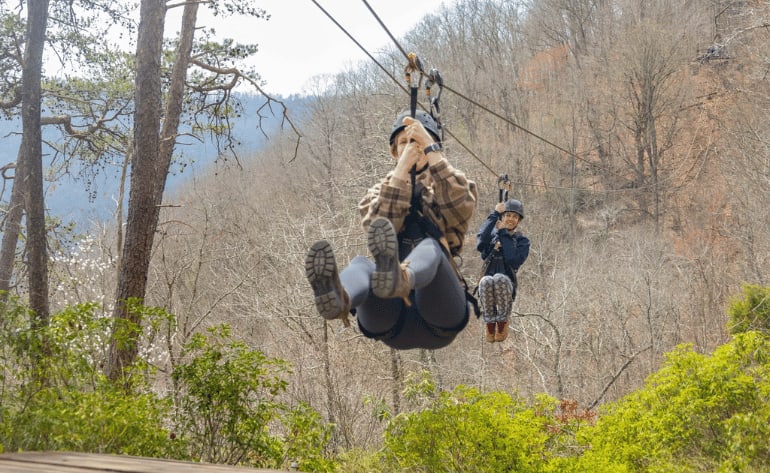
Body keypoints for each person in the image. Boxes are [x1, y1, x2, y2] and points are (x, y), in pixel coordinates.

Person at [305, 109, 478, 350]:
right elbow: (380, 223)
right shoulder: (375, 195)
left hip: (441, 314)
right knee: (362, 264)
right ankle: (341, 298)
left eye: (417, 142)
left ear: (432, 147)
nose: (410, 148)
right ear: (393, 152)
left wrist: (431, 150)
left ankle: (404, 277)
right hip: (390, 319)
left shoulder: (449, 185)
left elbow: (459, 204)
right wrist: (401, 175)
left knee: (431, 248)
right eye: (404, 143)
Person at [475, 198, 530, 343]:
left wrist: (503, 232)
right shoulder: (493, 237)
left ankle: (502, 321)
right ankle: (490, 322)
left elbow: (512, 259)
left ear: (518, 220)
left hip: (506, 284)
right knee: (486, 281)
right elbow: (480, 242)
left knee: (498, 277)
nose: (511, 219)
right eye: (508, 215)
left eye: (515, 217)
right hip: (488, 284)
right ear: (502, 217)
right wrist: (494, 216)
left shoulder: (522, 242)